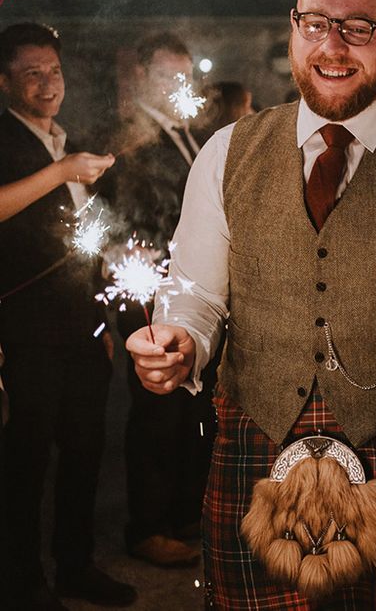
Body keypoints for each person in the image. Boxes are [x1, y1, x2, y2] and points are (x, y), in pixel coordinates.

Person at [125, 0, 376, 608]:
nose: (332, 45)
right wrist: (181, 342)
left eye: (359, 27)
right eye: (315, 23)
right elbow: (196, 294)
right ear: (292, 27)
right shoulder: (226, 152)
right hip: (258, 444)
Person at [0, 23, 134, 610]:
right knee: (24, 463)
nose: (47, 82)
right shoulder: (7, 139)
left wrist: (112, 286)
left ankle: (77, 565)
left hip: (83, 329)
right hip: (23, 332)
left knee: (85, 452)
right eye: (32, 73)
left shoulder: (68, 140)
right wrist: (61, 171)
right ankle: (22, 582)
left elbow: (87, 236)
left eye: (53, 70)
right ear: (3, 81)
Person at [102, 31, 216, 568]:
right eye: (169, 76)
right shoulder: (130, 139)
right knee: (155, 412)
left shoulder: (189, 133)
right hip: (151, 291)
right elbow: (117, 218)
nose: (179, 85)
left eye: (185, 76)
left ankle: (182, 513)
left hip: (194, 291)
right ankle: (146, 527)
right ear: (143, 76)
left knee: (190, 410)